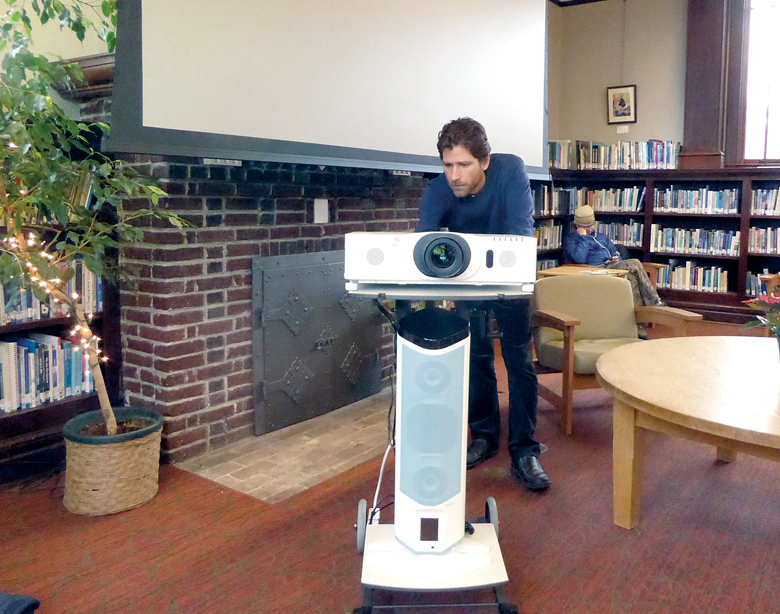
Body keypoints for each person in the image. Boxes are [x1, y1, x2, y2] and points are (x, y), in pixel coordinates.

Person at [415, 117, 550, 491]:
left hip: (509, 276)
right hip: (466, 281)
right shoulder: (440, 188)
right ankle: (485, 437)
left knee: (520, 361)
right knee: (475, 359)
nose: (454, 175)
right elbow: (422, 244)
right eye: (447, 165)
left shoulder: (511, 171)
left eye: (464, 164)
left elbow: (519, 237)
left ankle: (524, 450)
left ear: (485, 161)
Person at [564, 205, 664, 309]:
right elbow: (579, 259)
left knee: (631, 277)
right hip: (593, 271)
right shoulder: (571, 240)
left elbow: (615, 253)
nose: (589, 229)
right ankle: (655, 304)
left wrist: (615, 259)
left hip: (609, 268)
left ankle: (638, 319)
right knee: (635, 263)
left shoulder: (602, 237)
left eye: (591, 225)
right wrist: (583, 237)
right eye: (585, 227)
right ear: (577, 225)